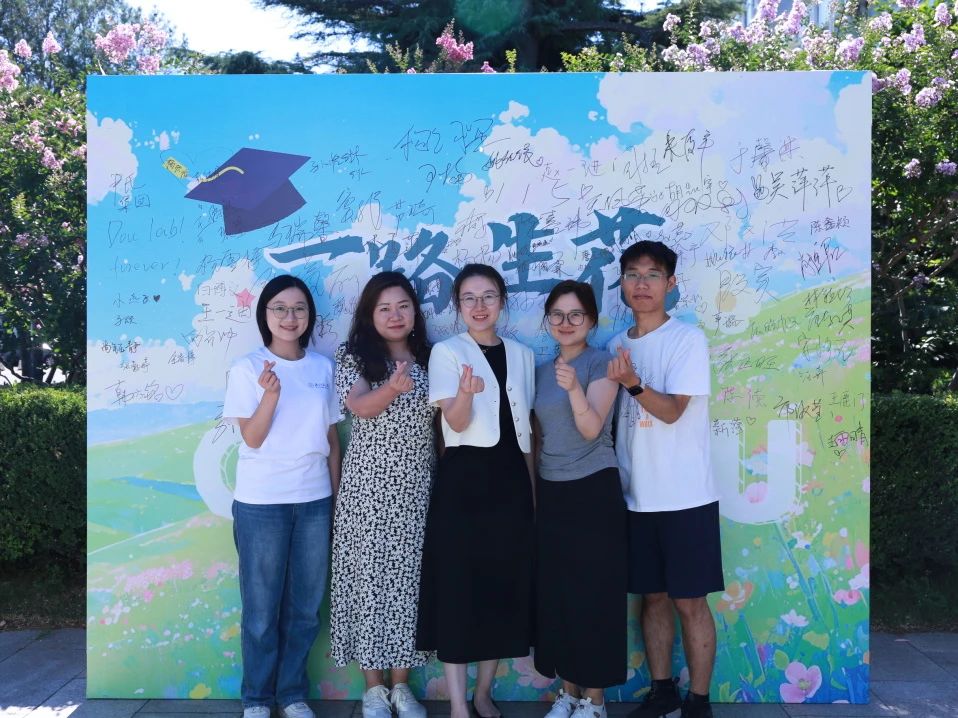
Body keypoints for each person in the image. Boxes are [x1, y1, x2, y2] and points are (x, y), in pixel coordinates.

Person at [606, 240, 723, 718]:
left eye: (652, 275)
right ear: (622, 284)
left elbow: (674, 411)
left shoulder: (686, 340)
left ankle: (699, 701)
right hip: (634, 497)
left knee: (689, 602)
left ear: (670, 283)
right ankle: (662, 691)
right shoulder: (615, 344)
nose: (642, 284)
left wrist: (632, 382)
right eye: (633, 275)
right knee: (651, 598)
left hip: (685, 496)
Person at [416, 263, 536, 718]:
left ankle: (484, 692)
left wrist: (532, 493)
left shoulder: (523, 354)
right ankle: (458, 705)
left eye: (488, 296)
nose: (479, 306)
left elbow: (526, 433)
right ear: (458, 305)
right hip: (464, 481)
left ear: (502, 301)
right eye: (469, 298)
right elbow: (456, 422)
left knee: (501, 587)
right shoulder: (447, 352)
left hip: (510, 481)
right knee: (459, 589)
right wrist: (465, 393)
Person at [222, 274, 342, 718]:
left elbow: (331, 439)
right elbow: (252, 438)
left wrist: (335, 498)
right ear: (265, 314)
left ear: (310, 316)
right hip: (261, 504)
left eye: (299, 308)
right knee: (261, 612)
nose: (290, 317)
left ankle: (291, 694)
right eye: (280, 308)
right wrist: (270, 396)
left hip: (314, 501)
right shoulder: (247, 368)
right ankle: (257, 698)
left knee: (305, 609)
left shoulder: (323, 368)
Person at [330, 271, 435, 718]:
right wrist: (393, 386)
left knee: (408, 584)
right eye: (384, 308)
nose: (395, 315)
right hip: (368, 491)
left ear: (415, 312)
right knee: (369, 584)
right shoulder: (353, 356)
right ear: (369, 315)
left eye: (403, 306)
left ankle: (401, 686)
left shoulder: (431, 356)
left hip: (416, 490)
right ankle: (373, 689)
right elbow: (359, 406)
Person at [533, 281, 627, 718]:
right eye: (557, 314)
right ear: (547, 320)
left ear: (591, 320)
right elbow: (537, 434)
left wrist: (573, 388)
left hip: (593, 489)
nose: (566, 322)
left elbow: (591, 429)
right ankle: (568, 693)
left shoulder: (602, 363)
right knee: (559, 594)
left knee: (594, 594)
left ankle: (595, 700)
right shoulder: (539, 370)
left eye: (576, 315)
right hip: (552, 489)